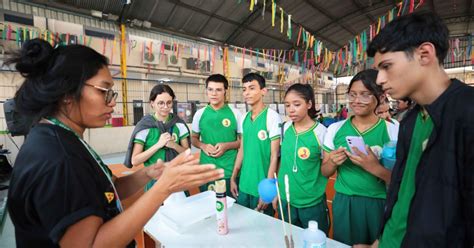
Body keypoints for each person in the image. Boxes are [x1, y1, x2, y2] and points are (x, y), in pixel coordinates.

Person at [6, 39, 223, 247]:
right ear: (67, 92)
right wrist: (163, 189)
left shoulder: (61, 138)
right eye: (104, 91)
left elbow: (109, 190)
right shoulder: (60, 158)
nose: (112, 101)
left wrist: (149, 174)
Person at [366, 11, 474, 247]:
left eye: (387, 66)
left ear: (424, 54)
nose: (380, 80)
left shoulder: (467, 112)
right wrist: (382, 239)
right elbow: (401, 191)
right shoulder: (411, 121)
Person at [321, 69, 399, 246]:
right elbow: (325, 172)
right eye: (353, 94)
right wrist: (332, 162)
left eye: (365, 95)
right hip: (344, 202)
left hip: (379, 203)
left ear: (380, 96)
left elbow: (403, 180)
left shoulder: (394, 131)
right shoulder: (335, 129)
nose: (356, 100)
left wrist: (375, 168)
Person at [276, 83, 329, 232]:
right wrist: (278, 193)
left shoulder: (321, 133)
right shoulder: (285, 128)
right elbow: (283, 163)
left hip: (312, 203)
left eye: (297, 104)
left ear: (309, 104)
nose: (291, 109)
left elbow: (327, 168)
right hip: (286, 201)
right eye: (287, 105)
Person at [230, 73, 282, 216]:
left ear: (263, 91)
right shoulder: (244, 118)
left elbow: (274, 157)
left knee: (263, 232)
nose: (246, 93)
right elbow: (242, 149)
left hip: (261, 188)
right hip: (244, 186)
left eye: (252, 88)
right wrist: (233, 177)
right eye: (244, 89)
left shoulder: (272, 117)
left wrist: (267, 191)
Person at [124, 84, 190, 191]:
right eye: (160, 103)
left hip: (177, 178)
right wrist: (158, 145)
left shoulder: (179, 124)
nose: (165, 107)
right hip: (154, 182)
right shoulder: (145, 126)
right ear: (152, 103)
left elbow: (187, 153)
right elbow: (135, 160)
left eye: (169, 103)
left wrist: (174, 145)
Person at [191, 74, 242, 196]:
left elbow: (242, 142)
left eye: (218, 90)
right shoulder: (199, 114)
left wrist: (227, 145)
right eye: (210, 89)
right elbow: (194, 139)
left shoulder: (236, 114)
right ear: (206, 91)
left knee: (231, 210)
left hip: (229, 171)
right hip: (207, 170)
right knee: (208, 210)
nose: (214, 93)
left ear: (225, 91)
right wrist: (203, 146)